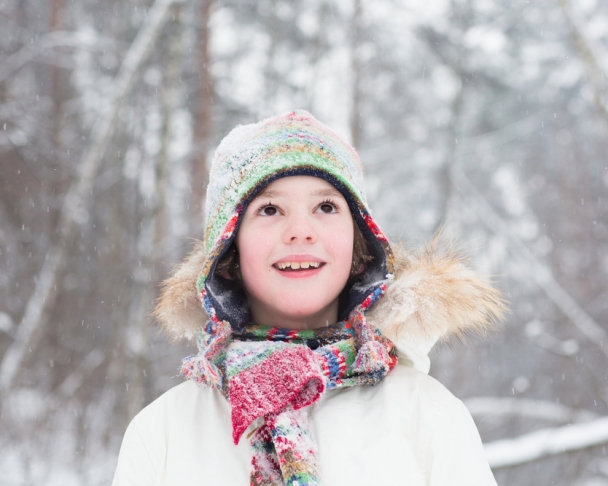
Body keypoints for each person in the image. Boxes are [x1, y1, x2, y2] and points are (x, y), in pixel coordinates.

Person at [112, 110, 506, 486]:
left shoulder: (426, 414)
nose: (301, 230)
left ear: (359, 248)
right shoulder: (164, 430)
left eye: (325, 207)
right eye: (269, 209)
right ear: (229, 252)